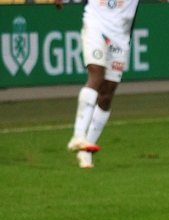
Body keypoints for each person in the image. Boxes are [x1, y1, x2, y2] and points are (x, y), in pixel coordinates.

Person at [55, 0, 140, 169]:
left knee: (107, 93)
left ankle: (86, 149)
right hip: (96, 24)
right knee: (96, 74)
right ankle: (78, 135)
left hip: (120, 34)